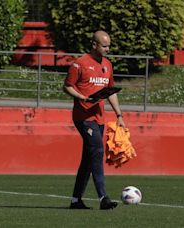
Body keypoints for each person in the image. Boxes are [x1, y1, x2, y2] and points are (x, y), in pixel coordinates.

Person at [63, 30, 125, 210]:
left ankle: (76, 200)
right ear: (94, 45)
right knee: (97, 150)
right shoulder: (79, 64)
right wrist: (82, 97)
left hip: (99, 118)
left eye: (109, 45)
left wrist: (119, 115)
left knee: (89, 159)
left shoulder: (107, 64)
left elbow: (110, 91)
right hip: (83, 117)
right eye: (104, 46)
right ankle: (103, 198)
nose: (108, 49)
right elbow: (67, 86)